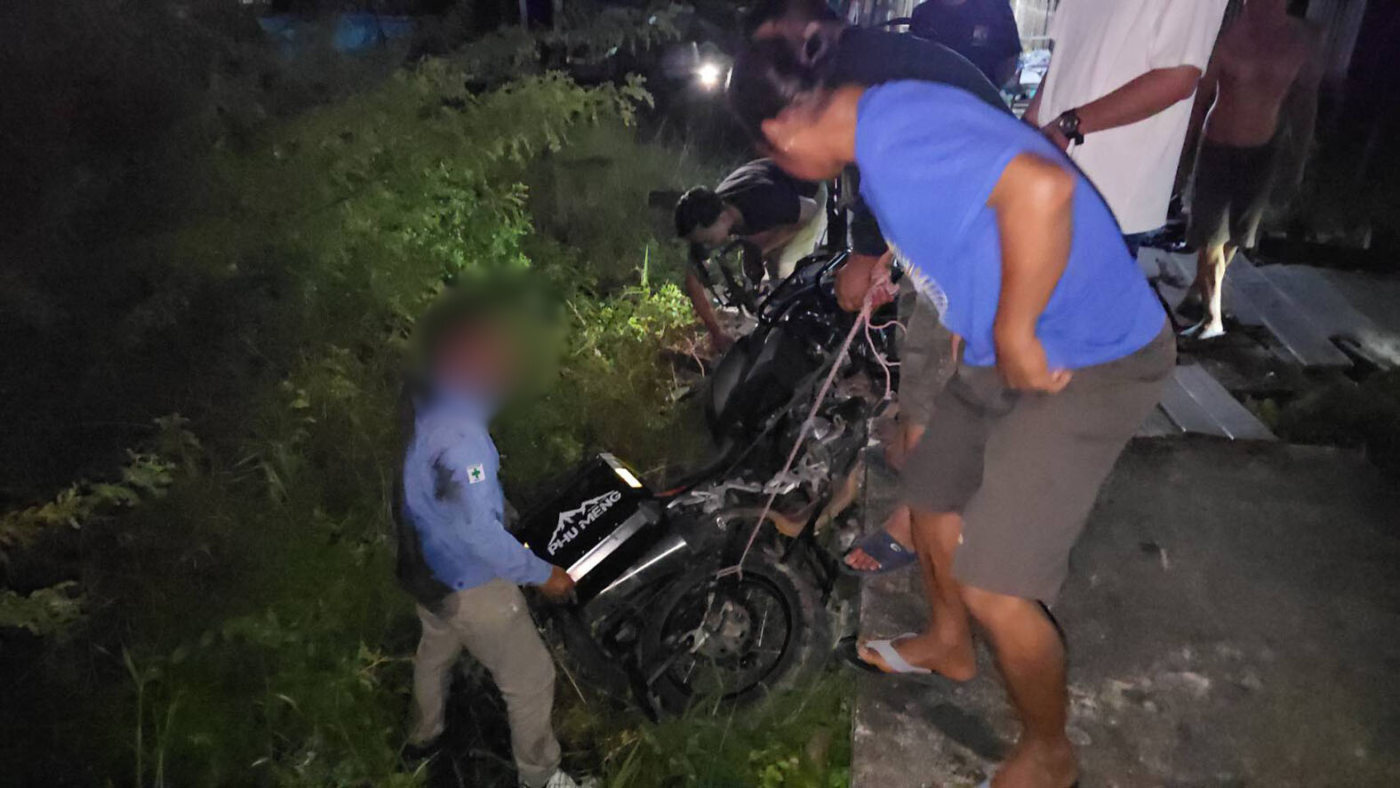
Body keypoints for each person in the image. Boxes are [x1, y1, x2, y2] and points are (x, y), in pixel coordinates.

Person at [729, 39, 1175, 788]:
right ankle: (948, 643)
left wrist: (1015, 330)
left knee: (995, 586)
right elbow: (974, 218)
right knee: (931, 497)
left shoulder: (899, 141)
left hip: (1090, 356)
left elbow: (1041, 186)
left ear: (779, 134)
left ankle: (1050, 753)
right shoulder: (881, 127)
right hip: (998, 349)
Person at [747, 0, 1010, 577]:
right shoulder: (856, 70)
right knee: (929, 385)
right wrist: (885, 254)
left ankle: (930, 523)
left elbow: (900, 174)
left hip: (988, 238)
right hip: (960, 226)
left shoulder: (868, 83)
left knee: (939, 390)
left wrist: (867, 256)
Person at [393, 289, 583, 788]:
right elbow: (478, 532)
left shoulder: (429, 402)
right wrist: (542, 575)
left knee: (435, 652)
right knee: (531, 678)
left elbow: (448, 494)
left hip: (426, 568)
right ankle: (541, 777)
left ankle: (423, 738)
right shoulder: (461, 438)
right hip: (470, 581)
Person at [1025, 0, 1227, 253]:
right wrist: (1029, 125)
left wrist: (1070, 125)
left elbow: (1178, 79)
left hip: (1105, 191)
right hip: (1049, 164)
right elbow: (1067, 57)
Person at [1182, 0, 1321, 339]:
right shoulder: (1228, 36)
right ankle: (1213, 318)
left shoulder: (1301, 43)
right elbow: (1200, 99)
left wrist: (1299, 160)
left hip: (1263, 151)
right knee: (1210, 236)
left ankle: (1201, 288)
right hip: (1218, 148)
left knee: (1237, 235)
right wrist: (1183, 158)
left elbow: (1306, 103)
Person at [674, 158, 824, 350]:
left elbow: (810, 209)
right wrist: (716, 332)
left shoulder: (761, 202)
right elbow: (693, 281)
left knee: (786, 267)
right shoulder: (706, 218)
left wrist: (766, 248)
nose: (705, 246)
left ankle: (811, 334)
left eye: (707, 240)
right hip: (777, 203)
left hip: (808, 197)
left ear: (723, 217)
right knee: (756, 266)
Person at [910, 0, 1024, 88]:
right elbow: (913, 61)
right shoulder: (922, 14)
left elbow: (1010, 57)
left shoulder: (997, 10)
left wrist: (991, 91)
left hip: (979, 101)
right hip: (932, 98)